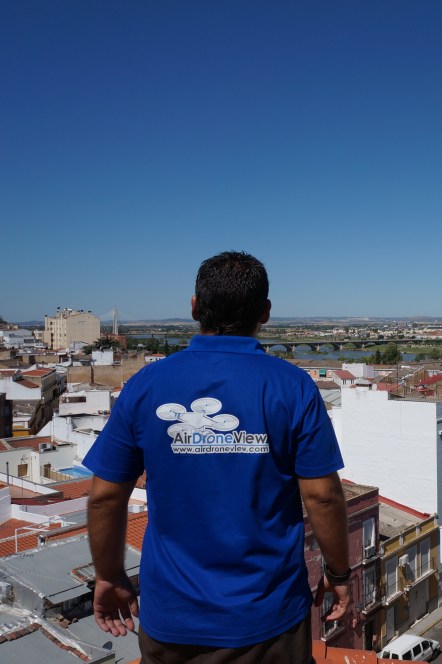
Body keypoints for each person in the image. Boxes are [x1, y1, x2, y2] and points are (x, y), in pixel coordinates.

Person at [85, 251, 352, 663]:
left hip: (172, 620)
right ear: (265, 312)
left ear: (194, 307)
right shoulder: (293, 387)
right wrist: (338, 572)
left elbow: (104, 496)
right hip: (269, 620)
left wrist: (108, 574)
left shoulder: (146, 385)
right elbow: (322, 496)